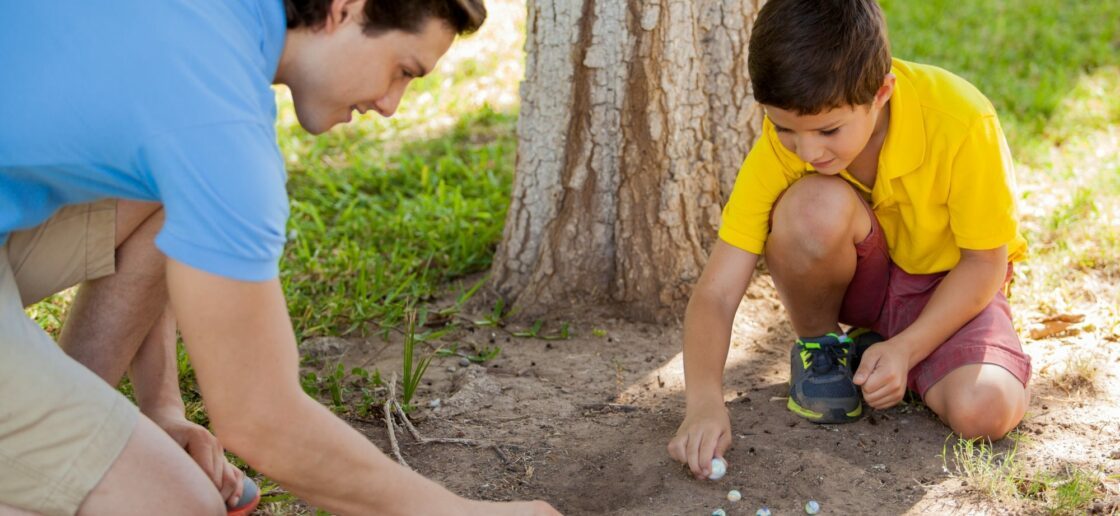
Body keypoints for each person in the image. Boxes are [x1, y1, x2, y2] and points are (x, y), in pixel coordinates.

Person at [0, 0, 560, 514]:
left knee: (166, 194)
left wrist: (162, 411)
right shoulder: (218, 118)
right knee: (176, 503)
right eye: (404, 71)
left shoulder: (213, 22)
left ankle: (77, 435)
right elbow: (259, 418)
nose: (391, 105)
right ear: (346, 8)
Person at [666, 0, 1032, 479]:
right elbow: (716, 290)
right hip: (865, 282)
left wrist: (907, 348)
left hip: (952, 289)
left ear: (881, 93)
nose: (808, 149)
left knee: (984, 411)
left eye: (828, 130)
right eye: (785, 129)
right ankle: (826, 351)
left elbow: (984, 264)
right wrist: (703, 403)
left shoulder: (962, 121)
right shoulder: (786, 144)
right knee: (812, 206)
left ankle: (898, 355)